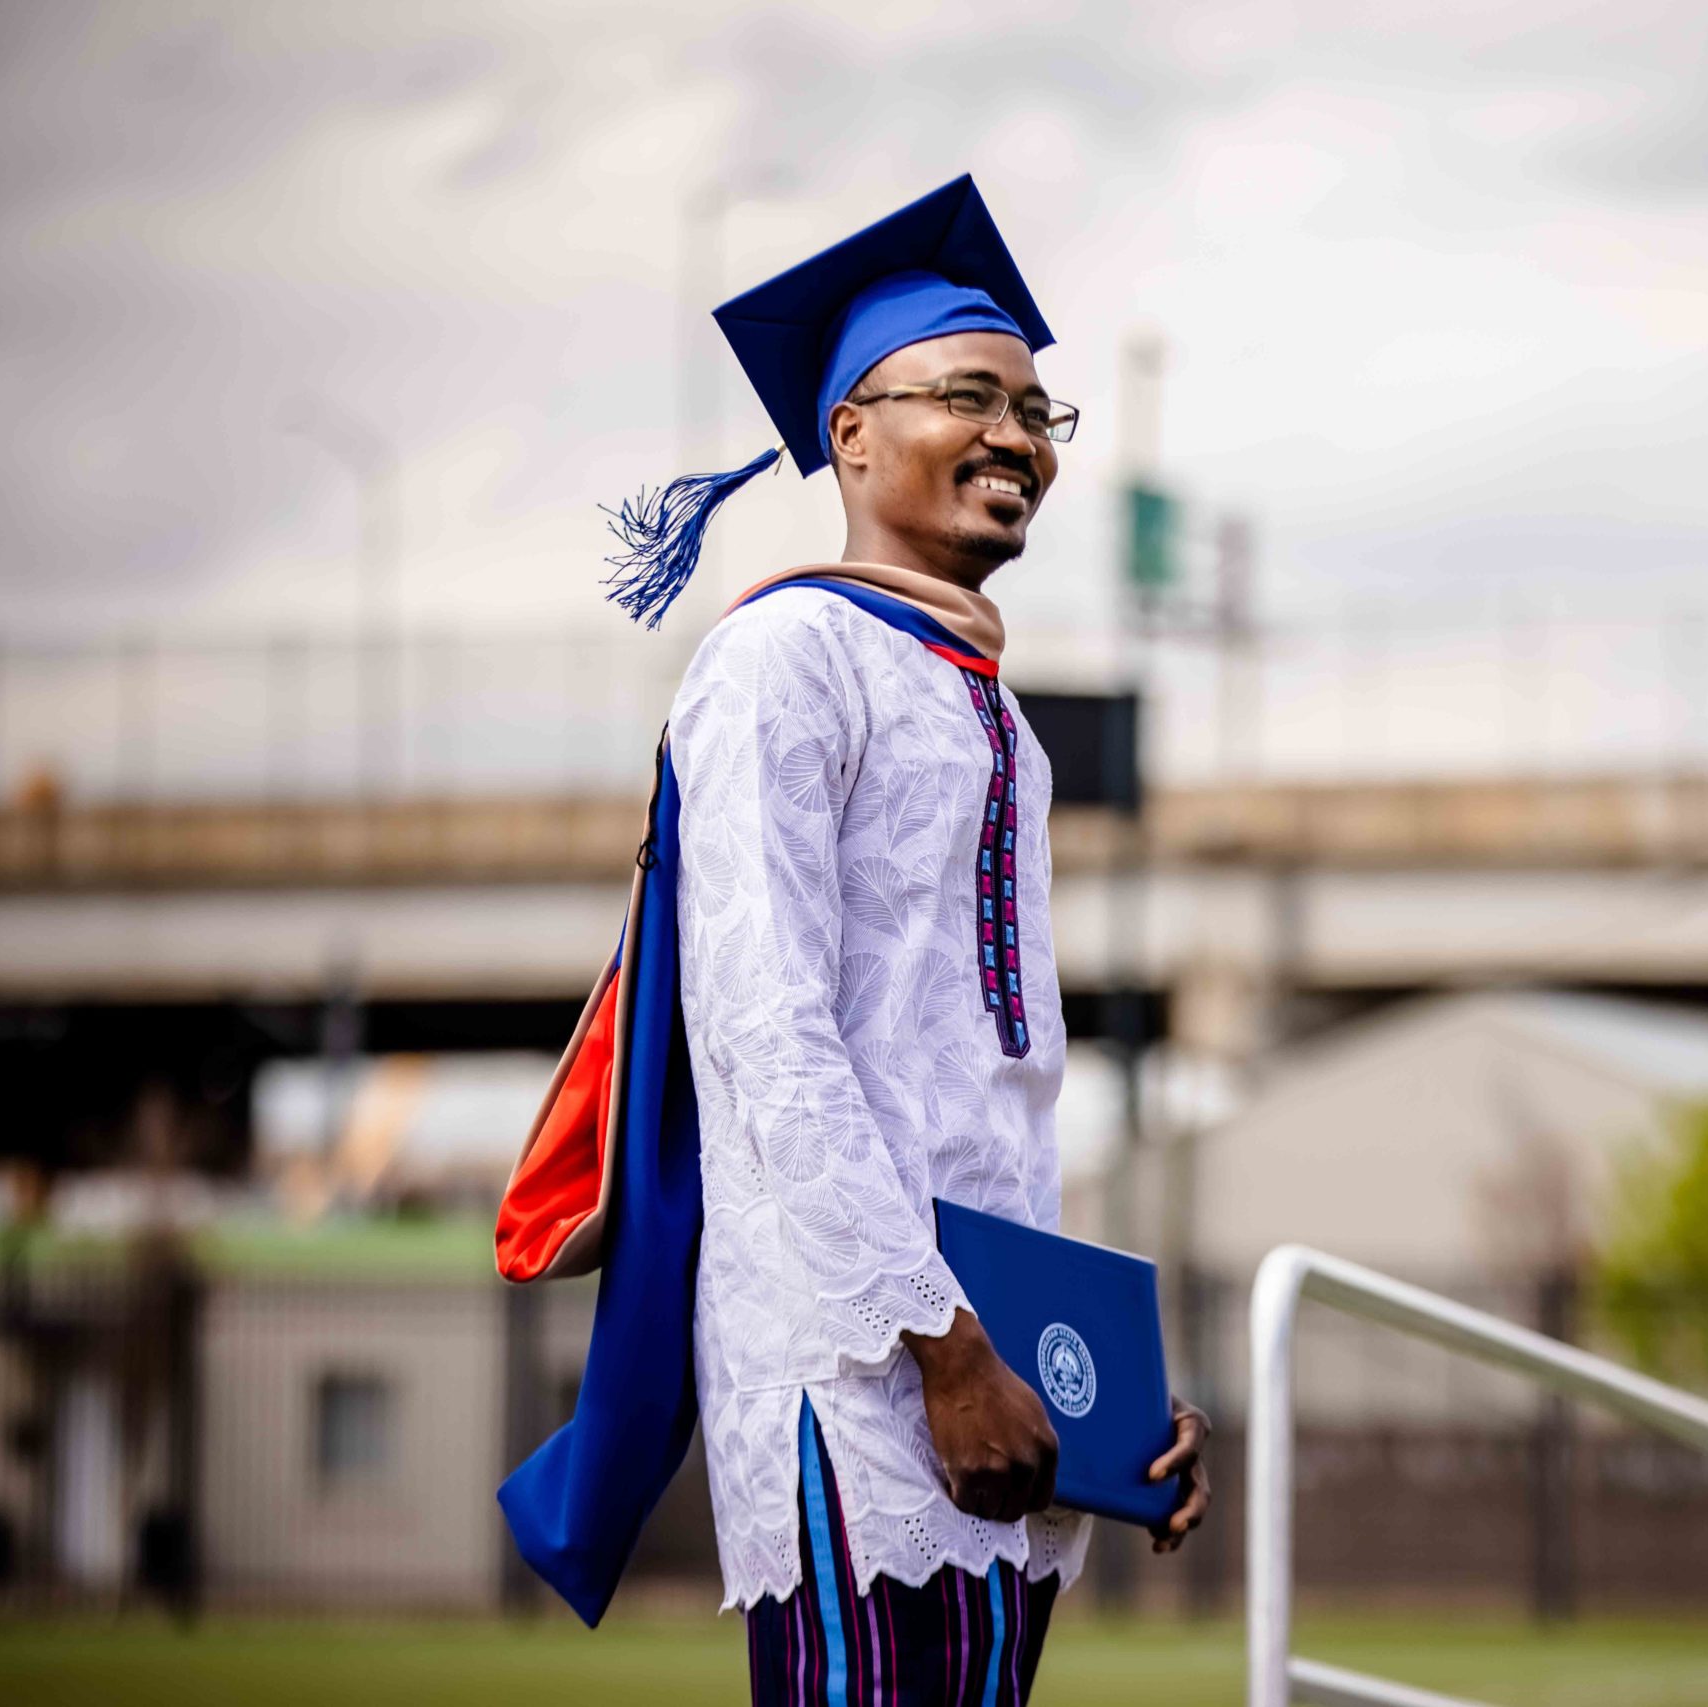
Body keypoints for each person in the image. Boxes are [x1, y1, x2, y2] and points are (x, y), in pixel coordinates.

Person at [500, 176, 1206, 1706]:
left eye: (1040, 412)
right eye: (972, 395)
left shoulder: (998, 719)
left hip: (993, 1388)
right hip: (863, 1381)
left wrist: (1106, 1394)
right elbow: (766, 1039)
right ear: (852, 433)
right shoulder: (781, 660)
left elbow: (990, 1101)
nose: (1019, 438)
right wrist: (943, 1351)